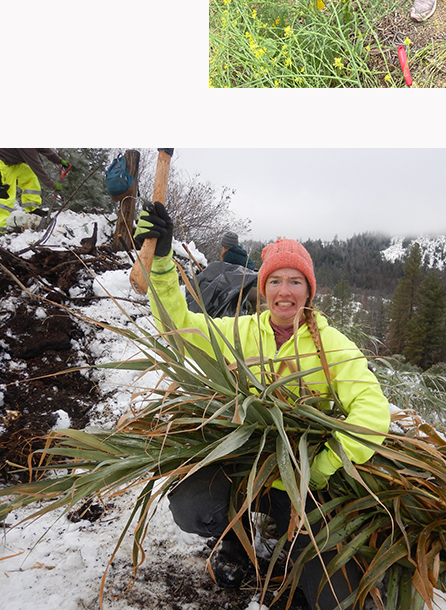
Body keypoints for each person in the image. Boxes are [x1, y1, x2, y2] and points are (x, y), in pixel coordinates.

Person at [138, 202, 390, 610]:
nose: (285, 291)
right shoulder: (242, 332)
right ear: (263, 288)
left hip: (310, 483)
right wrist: (163, 262)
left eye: (295, 281)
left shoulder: (333, 347)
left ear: (309, 291)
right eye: (275, 281)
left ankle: (294, 552)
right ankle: (241, 541)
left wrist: (320, 468)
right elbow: (177, 327)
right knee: (192, 507)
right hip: (249, 466)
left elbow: (373, 411)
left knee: (335, 599)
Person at [0, 149, 68, 234]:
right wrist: (52, 184)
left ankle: (32, 209)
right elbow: (37, 166)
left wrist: (59, 160)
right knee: (3, 195)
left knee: (29, 176)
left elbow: (44, 149)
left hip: (9, 162)